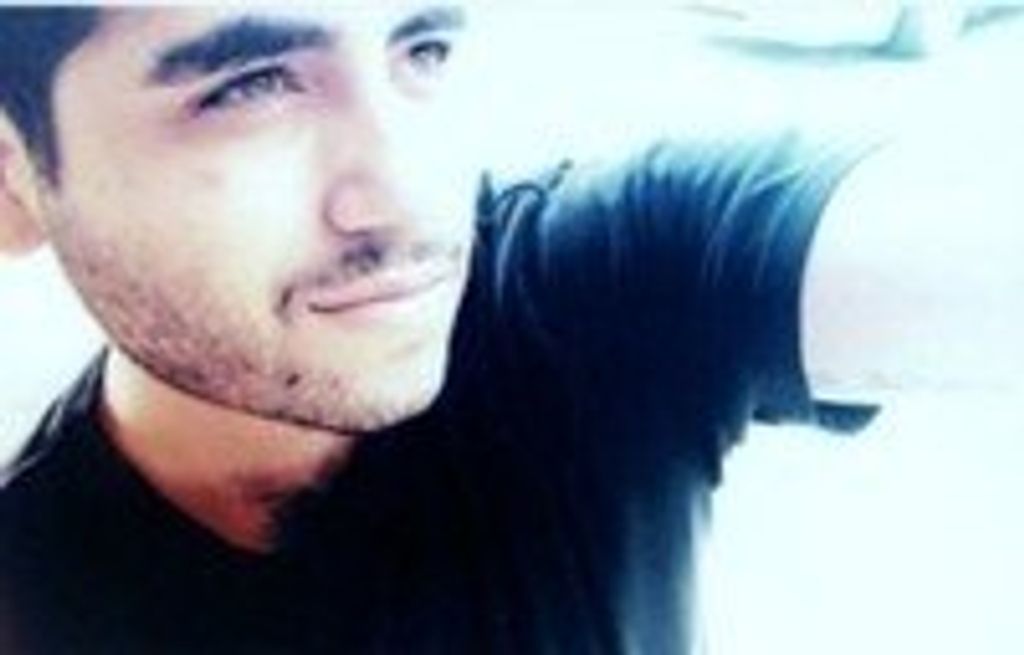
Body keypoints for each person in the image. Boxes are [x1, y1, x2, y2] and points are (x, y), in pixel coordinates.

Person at [0, 5, 1019, 654]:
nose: (406, 197)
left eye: (424, 50)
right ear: (15, 178)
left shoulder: (593, 290)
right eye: (251, 85)